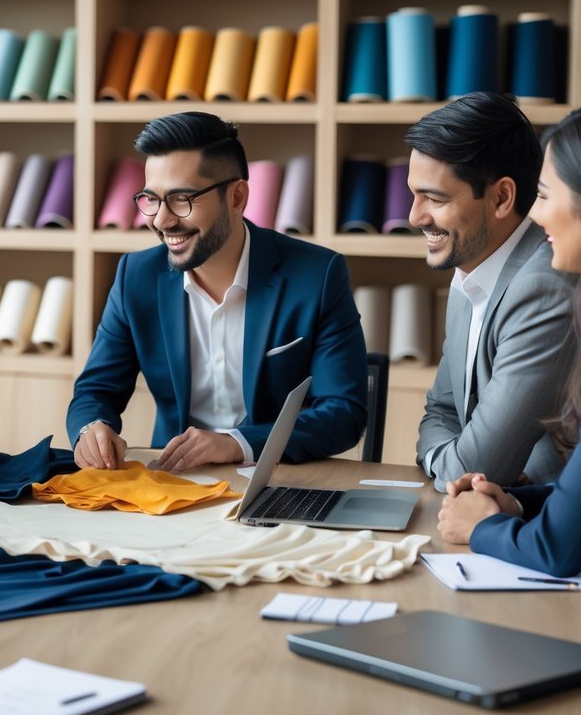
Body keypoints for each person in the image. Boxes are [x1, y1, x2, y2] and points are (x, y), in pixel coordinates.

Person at [438, 97, 581, 665]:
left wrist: (484, 527)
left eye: (543, 195)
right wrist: (514, 503)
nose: (535, 218)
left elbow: (561, 547)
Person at [67, 111, 367, 471]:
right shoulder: (136, 276)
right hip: (174, 483)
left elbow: (343, 413)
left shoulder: (317, 275)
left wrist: (235, 444)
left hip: (276, 479)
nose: (162, 220)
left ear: (237, 196)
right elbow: (95, 390)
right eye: (151, 199)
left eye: (181, 199)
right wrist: (92, 428)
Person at [407, 92, 575, 491]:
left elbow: (476, 468)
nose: (415, 216)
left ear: (502, 197)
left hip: (547, 525)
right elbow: (440, 411)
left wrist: (454, 462)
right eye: (414, 194)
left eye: (433, 197)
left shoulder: (544, 286)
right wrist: (446, 459)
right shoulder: (471, 267)